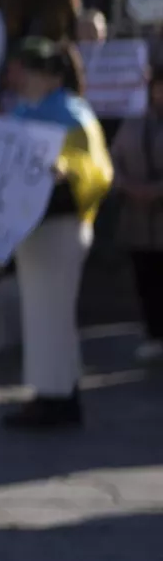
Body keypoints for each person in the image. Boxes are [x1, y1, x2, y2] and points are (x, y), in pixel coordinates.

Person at [4, 38, 114, 429]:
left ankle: (57, 397)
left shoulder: (72, 112)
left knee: (52, 315)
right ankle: (52, 391)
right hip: (33, 229)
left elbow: (96, 168)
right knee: (42, 316)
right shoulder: (25, 110)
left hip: (61, 226)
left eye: (29, 69)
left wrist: (65, 170)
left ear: (50, 75)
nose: (20, 77)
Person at [109, 71, 163, 362]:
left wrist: (156, 190)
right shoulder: (134, 120)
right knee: (146, 277)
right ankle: (154, 333)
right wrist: (128, 185)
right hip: (137, 218)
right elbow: (114, 157)